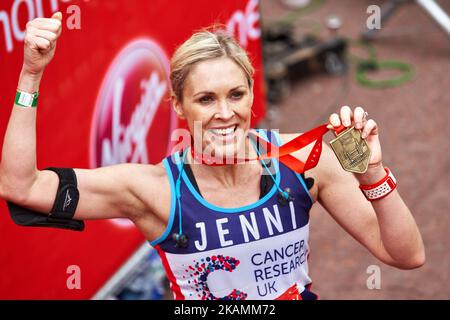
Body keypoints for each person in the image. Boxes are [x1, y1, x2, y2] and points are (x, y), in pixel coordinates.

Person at [0, 12, 425, 300]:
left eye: (236, 94)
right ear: (178, 106)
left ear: (252, 94)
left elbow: (405, 255)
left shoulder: (305, 160)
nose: (225, 113)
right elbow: (22, 186)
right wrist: (31, 74)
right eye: (206, 99)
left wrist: (372, 175)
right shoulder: (154, 190)